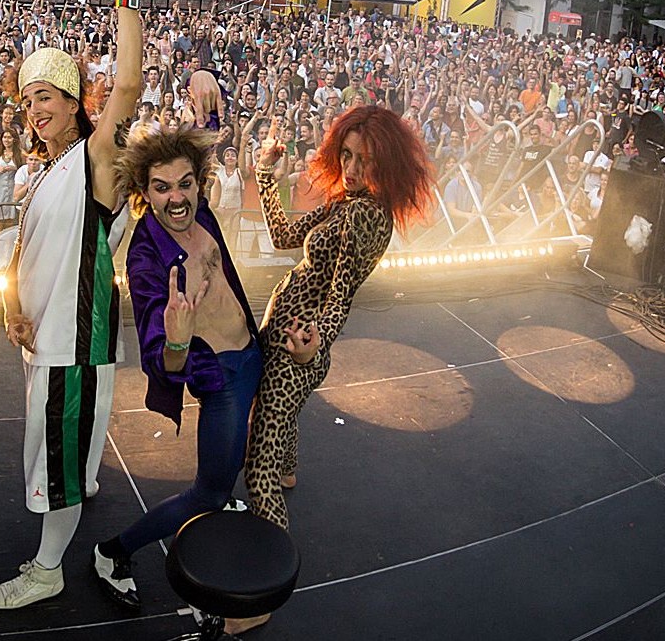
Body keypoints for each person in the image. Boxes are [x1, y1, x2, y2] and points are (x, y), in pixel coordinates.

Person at [0, 0, 144, 611]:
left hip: (72, 348)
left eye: (46, 96)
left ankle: (48, 567)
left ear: (77, 101)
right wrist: (9, 308)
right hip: (42, 341)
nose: (34, 109)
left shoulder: (93, 158)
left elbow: (131, 82)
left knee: (56, 465)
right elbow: (28, 254)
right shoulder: (46, 171)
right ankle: (81, 479)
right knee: (61, 449)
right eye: (26, 101)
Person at [90, 129, 261, 611]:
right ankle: (112, 552)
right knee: (207, 491)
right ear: (145, 193)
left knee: (232, 463)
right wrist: (179, 339)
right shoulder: (146, 257)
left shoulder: (201, 212)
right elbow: (161, 359)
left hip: (251, 355)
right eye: (162, 188)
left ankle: (221, 494)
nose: (176, 197)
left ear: (199, 183)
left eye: (185, 184)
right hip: (220, 378)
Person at [244, 105, 434, 528]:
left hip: (297, 345)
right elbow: (282, 236)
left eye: (364, 160)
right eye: (346, 155)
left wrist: (314, 345)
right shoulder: (346, 204)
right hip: (287, 334)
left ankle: (271, 560)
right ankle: (288, 469)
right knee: (278, 418)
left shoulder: (365, 215)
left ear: (385, 163)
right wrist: (264, 173)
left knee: (258, 472)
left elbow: (340, 296)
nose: (351, 168)